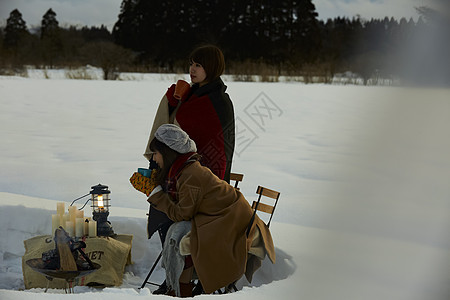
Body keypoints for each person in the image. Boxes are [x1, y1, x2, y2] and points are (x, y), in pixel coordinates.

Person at [143, 45, 236, 294]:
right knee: (161, 213)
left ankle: (183, 282)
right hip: (183, 174)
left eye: (198, 65)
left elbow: (204, 140)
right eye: (191, 63)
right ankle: (176, 279)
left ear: (211, 69)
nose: (192, 69)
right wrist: (174, 101)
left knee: (174, 217)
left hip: (207, 179)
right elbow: (176, 136)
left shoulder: (218, 101)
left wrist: (179, 104)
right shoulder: (192, 95)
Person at [147, 124, 275, 297]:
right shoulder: (184, 170)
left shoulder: (190, 175)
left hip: (233, 223)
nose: (154, 159)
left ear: (168, 153)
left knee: (182, 240)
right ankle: (179, 290)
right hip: (222, 217)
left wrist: (156, 194)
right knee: (181, 237)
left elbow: (182, 214)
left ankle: (180, 292)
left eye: (156, 153)